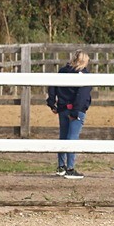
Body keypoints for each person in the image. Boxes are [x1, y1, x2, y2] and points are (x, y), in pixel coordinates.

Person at [46, 50, 92, 179]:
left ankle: (61, 166)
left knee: (63, 136)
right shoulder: (84, 74)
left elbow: (52, 86)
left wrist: (51, 102)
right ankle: (70, 168)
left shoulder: (62, 71)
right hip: (75, 110)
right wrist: (76, 111)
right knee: (72, 138)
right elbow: (82, 95)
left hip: (62, 108)